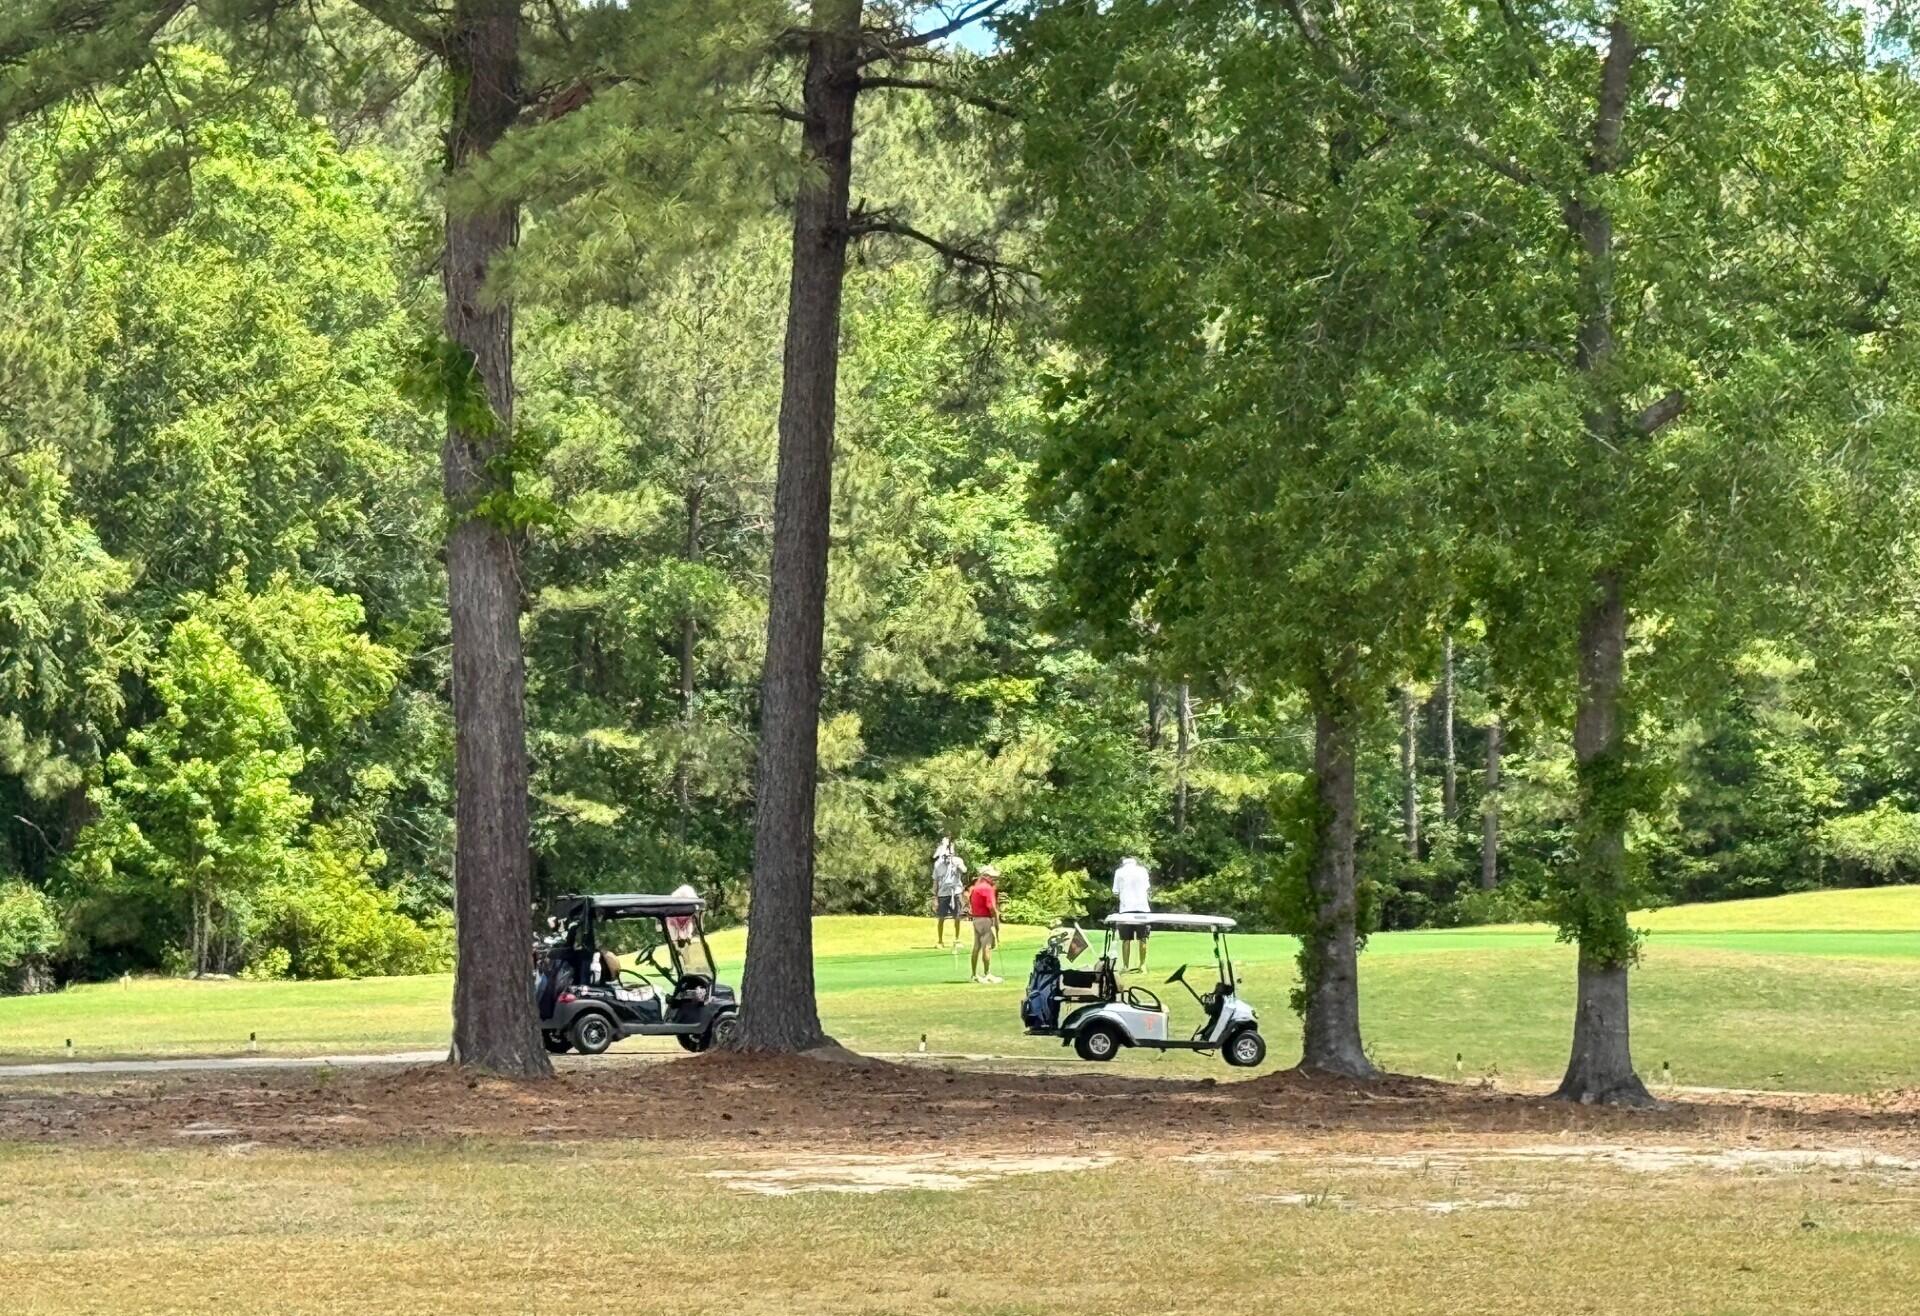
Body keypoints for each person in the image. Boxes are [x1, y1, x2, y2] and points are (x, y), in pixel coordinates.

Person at [1112, 855, 1152, 973]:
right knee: (1143, 938)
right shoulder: (1143, 871)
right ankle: (1142, 965)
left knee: (1126, 939)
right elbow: (1147, 887)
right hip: (1143, 908)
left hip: (1125, 909)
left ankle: (1125, 966)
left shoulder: (1119, 872)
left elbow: (1115, 891)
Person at [968, 865, 1002, 984]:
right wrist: (996, 921)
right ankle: (987, 974)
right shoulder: (987, 888)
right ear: (986, 876)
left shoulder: (976, 888)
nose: (994, 879)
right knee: (986, 946)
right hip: (984, 919)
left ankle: (974, 974)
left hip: (976, 919)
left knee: (976, 946)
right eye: (992, 876)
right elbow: (991, 907)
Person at [932, 837, 968, 948]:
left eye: (949, 856)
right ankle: (940, 941)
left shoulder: (958, 861)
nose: (947, 858)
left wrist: (958, 866)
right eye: (945, 856)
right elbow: (935, 881)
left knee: (957, 917)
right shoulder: (938, 864)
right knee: (941, 918)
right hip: (943, 894)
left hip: (956, 892)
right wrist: (935, 897)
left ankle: (957, 940)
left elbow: (964, 870)